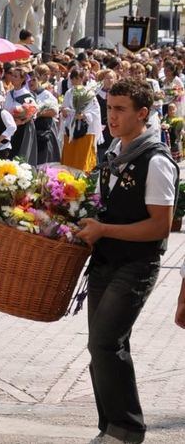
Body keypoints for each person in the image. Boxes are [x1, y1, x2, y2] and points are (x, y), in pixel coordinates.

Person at [77, 79, 179, 444]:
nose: (112, 117)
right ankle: (110, 427)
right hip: (106, 261)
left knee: (107, 342)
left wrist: (103, 229)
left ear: (143, 113)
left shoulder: (156, 161)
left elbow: (160, 226)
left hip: (137, 264)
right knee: (99, 346)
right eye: (109, 109)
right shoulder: (112, 154)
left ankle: (127, 429)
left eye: (120, 109)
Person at [3, 67, 38, 166]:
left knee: (20, 156)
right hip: (10, 128)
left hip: (23, 129)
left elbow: (33, 112)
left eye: (15, 76)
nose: (12, 78)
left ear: (22, 79)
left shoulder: (27, 96)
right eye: (12, 75)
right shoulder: (9, 94)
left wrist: (22, 121)